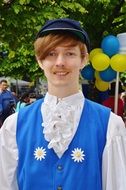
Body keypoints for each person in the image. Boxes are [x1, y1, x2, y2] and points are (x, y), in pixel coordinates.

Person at [0, 18, 126, 190]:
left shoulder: (111, 125)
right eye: (51, 54)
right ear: (40, 60)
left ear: (84, 59)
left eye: (70, 53)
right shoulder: (13, 126)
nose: (60, 62)